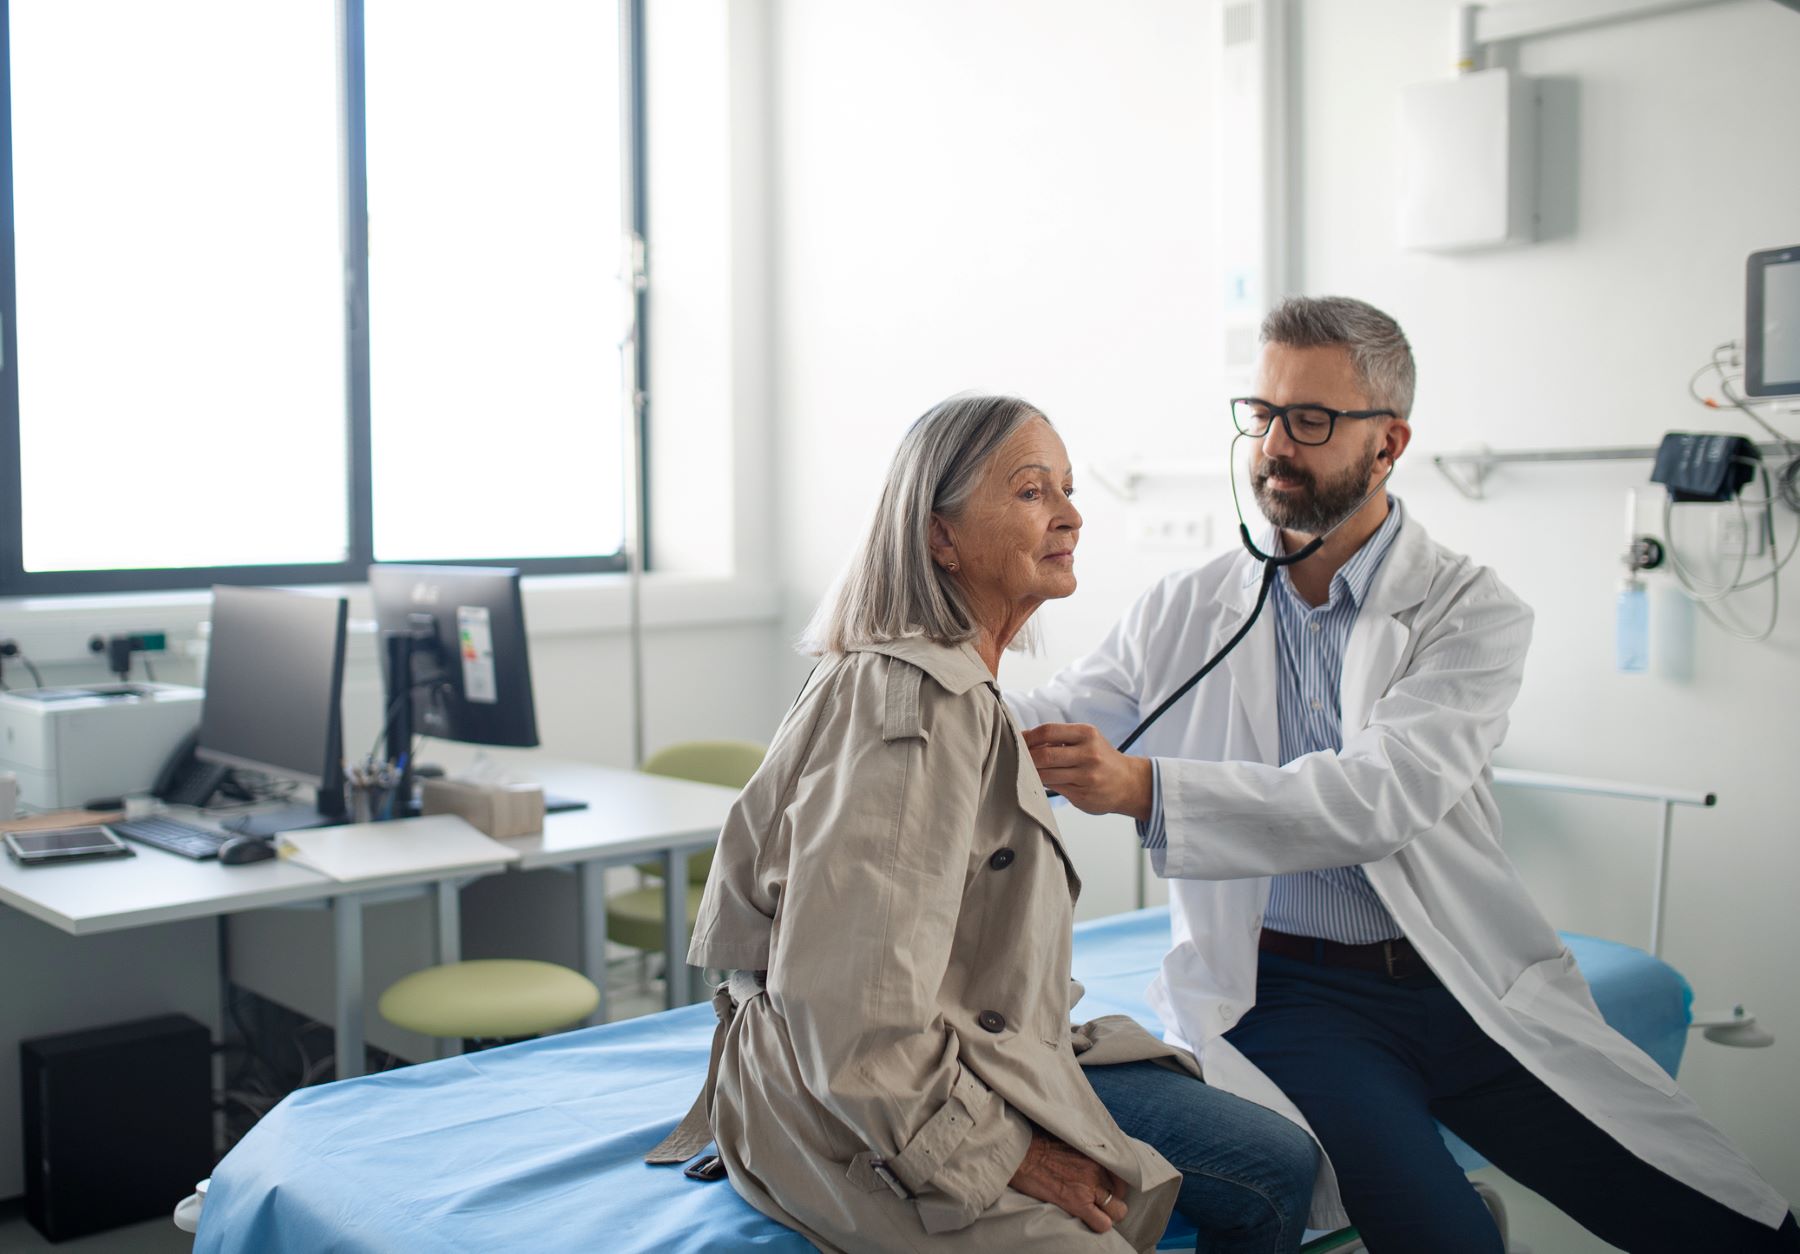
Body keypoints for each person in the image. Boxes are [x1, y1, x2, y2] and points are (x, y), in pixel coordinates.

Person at [1009, 295, 1799, 1252]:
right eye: (1260, 415)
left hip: (1463, 976)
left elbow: (1378, 796)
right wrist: (910, 699)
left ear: (1388, 445)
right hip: (1293, 997)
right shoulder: (1191, 607)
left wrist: (1147, 788)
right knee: (1444, 1237)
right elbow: (1053, 716)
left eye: (1310, 420)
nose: (1272, 446)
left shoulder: (1469, 610)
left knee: (1726, 1220)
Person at [651, 394, 1318, 1253]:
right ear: (941, 537)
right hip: (856, 1094)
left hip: (967, 1045)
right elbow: (852, 1012)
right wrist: (1003, 1151)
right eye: (1033, 491)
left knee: (1279, 1162)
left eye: (1068, 489)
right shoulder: (916, 714)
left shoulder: (961, 693)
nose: (1072, 515)